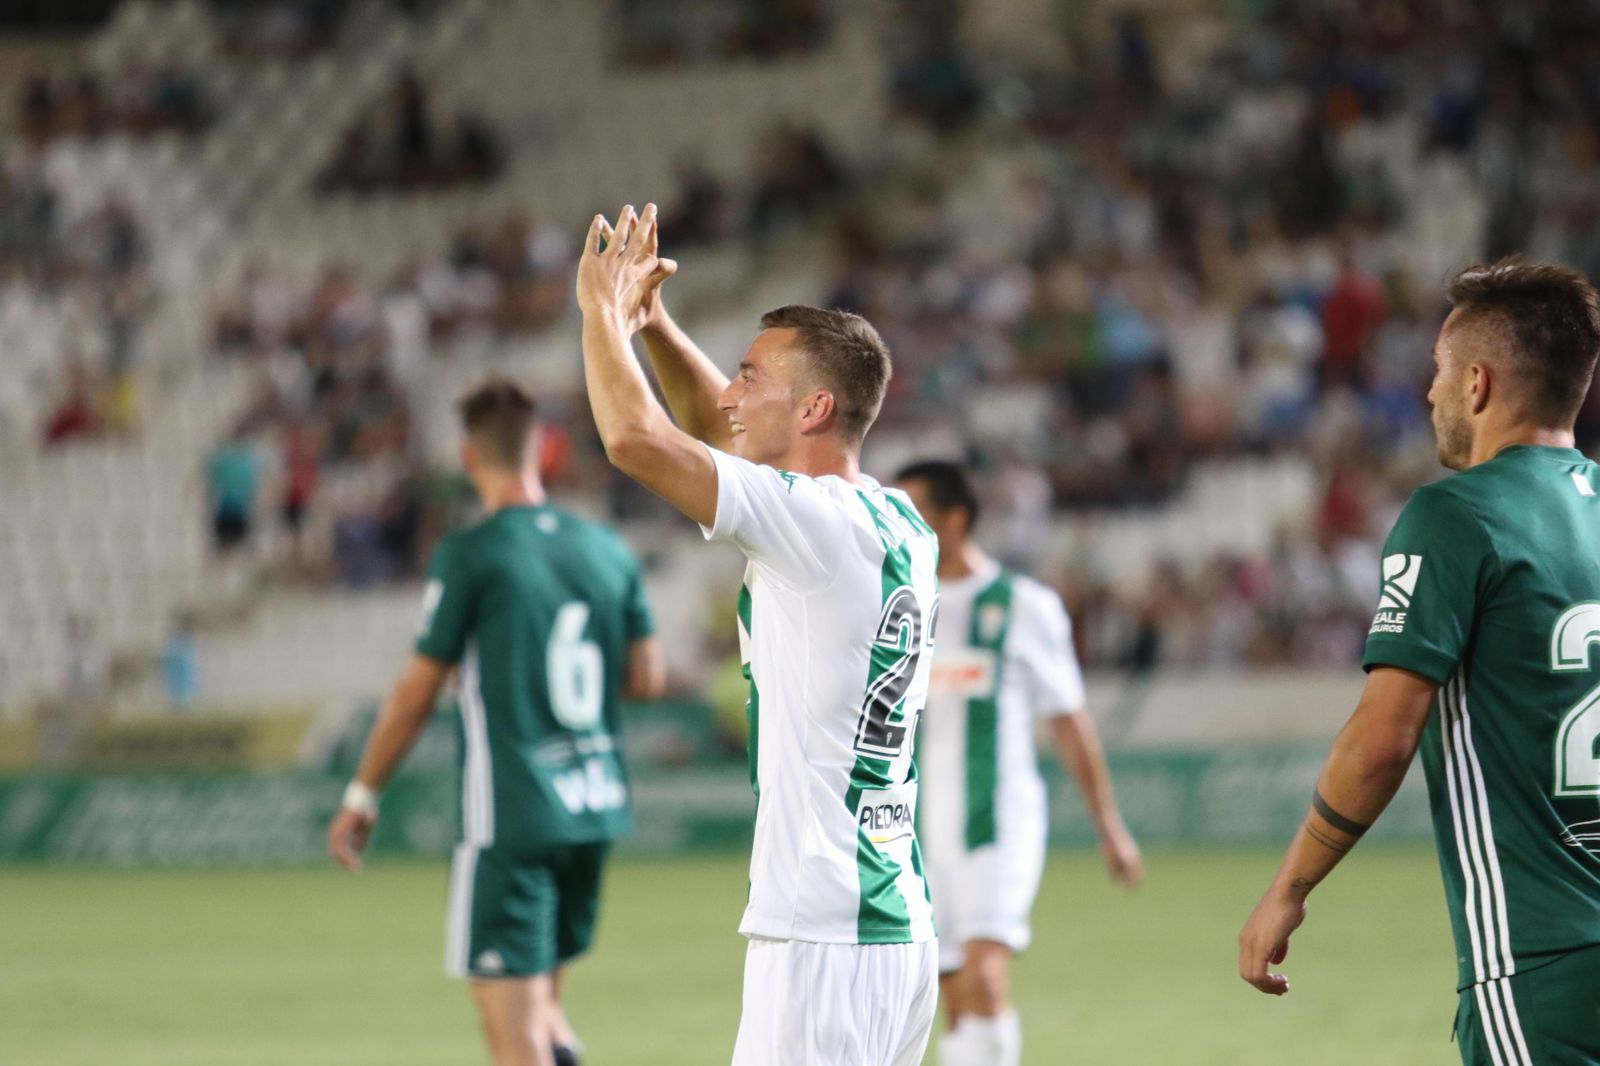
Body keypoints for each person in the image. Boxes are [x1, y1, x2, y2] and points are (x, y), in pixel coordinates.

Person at [576, 203, 939, 1066]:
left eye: (750, 376)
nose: (733, 394)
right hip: (893, 925)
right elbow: (717, 431)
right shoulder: (895, 517)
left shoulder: (809, 523)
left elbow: (637, 439)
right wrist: (655, 322)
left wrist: (599, 313)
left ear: (814, 407)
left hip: (822, 930)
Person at [1239, 259, 1600, 1065]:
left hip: (1539, 954)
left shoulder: (1457, 516)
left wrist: (1289, 888)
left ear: (1477, 383)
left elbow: (1382, 740)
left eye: (1438, 370)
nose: (1428, 391)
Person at [327, 376, 664, 1066]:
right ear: (543, 450)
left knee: (515, 1041)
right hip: (592, 806)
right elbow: (647, 680)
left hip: (512, 814)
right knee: (545, 1017)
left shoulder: (472, 552)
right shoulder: (607, 549)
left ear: (467, 456)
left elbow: (417, 691)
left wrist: (363, 794)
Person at [895, 459, 1143, 1066]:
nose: (900, 525)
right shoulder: (897, 605)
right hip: (916, 830)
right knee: (949, 989)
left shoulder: (1022, 605)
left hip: (997, 821)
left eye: (913, 512)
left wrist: (1108, 824)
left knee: (983, 973)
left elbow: (1068, 717)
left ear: (956, 519)